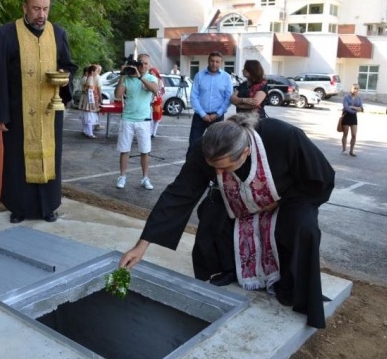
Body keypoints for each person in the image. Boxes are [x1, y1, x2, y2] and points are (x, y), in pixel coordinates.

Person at [119, 112, 335, 329]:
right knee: (211, 209)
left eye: (224, 168)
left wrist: (281, 201)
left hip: (286, 197)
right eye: (214, 168)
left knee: (303, 225)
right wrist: (142, 244)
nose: (218, 173)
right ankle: (230, 268)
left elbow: (320, 178)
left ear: (246, 152)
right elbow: (179, 194)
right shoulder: (205, 147)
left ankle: (291, 284)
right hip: (239, 200)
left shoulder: (285, 137)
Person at [0, 0, 78, 224]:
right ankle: (19, 208)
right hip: (18, 113)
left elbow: (69, 66)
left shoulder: (58, 33)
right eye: (36, 8)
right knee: (18, 161)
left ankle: (48, 207)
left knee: (50, 158)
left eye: (45, 9)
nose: (41, 15)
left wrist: (63, 76)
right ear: (25, 8)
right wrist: (0, 115)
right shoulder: (7, 33)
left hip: (49, 112)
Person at [114, 54, 159, 190]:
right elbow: (117, 95)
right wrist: (122, 75)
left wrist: (140, 77)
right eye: (141, 63)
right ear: (136, 64)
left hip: (144, 120)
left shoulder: (151, 78)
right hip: (127, 118)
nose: (143, 66)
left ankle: (145, 178)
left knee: (145, 151)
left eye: (146, 63)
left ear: (149, 65)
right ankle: (122, 176)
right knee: (124, 150)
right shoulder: (127, 78)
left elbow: (155, 90)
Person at [188, 51, 233, 153]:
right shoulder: (199, 76)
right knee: (193, 144)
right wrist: (203, 114)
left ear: (221, 63)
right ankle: (191, 167)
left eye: (217, 62)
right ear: (208, 61)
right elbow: (194, 96)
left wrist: (218, 113)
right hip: (200, 116)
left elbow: (228, 97)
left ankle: (213, 168)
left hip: (217, 117)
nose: (214, 64)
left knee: (217, 146)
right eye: (212, 61)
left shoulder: (226, 77)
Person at [340, 83, 364, 157]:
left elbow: (361, 108)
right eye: (354, 88)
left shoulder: (359, 98)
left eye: (357, 89)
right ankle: (344, 149)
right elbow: (346, 107)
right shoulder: (346, 97)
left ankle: (351, 151)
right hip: (346, 116)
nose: (355, 90)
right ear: (351, 89)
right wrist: (356, 110)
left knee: (354, 135)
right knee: (345, 134)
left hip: (354, 117)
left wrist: (353, 107)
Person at [80, 64, 100, 138]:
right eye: (96, 71)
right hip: (89, 99)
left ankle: (87, 131)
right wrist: (95, 100)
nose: (97, 73)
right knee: (89, 116)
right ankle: (90, 132)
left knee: (87, 115)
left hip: (87, 99)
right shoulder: (90, 79)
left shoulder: (88, 78)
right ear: (92, 72)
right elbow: (90, 91)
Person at [148, 67, 165, 138]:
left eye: (152, 73)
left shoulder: (159, 81)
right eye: (150, 73)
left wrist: (157, 95)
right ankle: (150, 132)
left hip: (156, 102)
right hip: (149, 101)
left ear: (155, 73)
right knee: (150, 118)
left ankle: (154, 133)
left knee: (156, 118)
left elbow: (162, 91)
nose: (151, 74)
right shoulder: (148, 80)